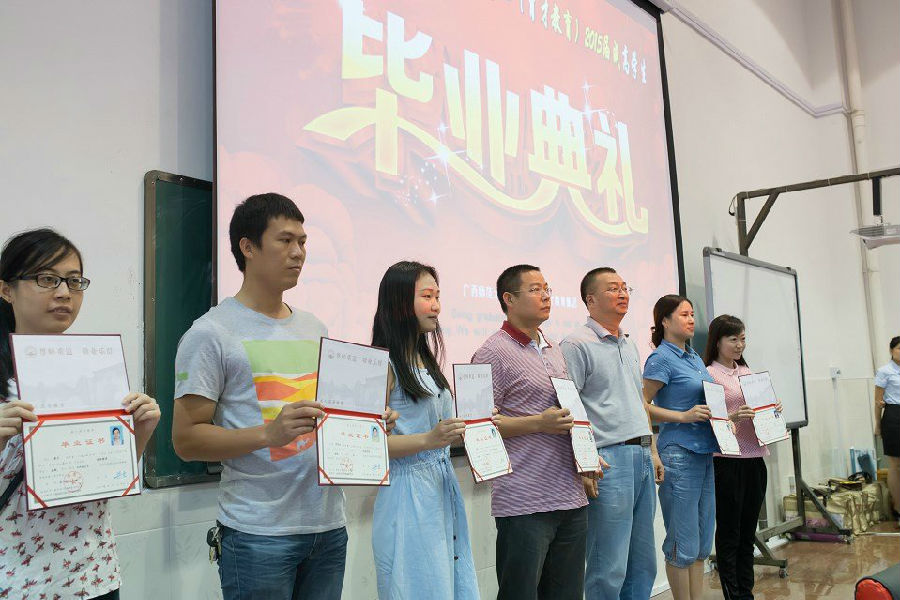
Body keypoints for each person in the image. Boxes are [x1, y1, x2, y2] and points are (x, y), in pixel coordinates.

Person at [171, 193, 398, 600]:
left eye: (303, 242)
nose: (299, 253)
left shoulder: (315, 327)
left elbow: (325, 416)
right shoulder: (211, 333)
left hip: (327, 526)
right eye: (285, 240)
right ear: (248, 247)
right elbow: (186, 440)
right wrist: (268, 434)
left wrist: (365, 423)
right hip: (258, 533)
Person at [0, 228, 161, 600]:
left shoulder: (96, 373)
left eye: (74, 281)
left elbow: (105, 479)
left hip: (94, 574)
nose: (63, 293)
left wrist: (141, 430)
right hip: (18, 583)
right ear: (6, 290)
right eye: (46, 279)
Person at [472, 264, 589, 600]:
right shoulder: (492, 352)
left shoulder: (553, 348)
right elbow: (476, 426)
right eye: (535, 289)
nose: (546, 296)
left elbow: (569, 412)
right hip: (524, 502)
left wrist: (588, 456)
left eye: (547, 288)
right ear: (509, 299)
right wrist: (538, 423)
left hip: (571, 496)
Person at [370, 261, 478, 599]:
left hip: (440, 487)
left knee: (448, 583)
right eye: (427, 296)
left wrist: (472, 425)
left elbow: (439, 429)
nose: (436, 306)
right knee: (417, 586)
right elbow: (368, 446)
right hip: (406, 493)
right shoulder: (382, 364)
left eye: (438, 296)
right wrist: (430, 440)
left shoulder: (425, 361)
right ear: (400, 302)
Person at [560, 267, 662, 600]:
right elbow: (570, 407)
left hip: (641, 455)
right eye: (612, 288)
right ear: (590, 300)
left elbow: (639, 402)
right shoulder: (575, 344)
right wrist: (584, 461)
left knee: (642, 563)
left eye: (624, 287)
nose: (622, 293)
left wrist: (652, 450)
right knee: (608, 565)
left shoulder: (629, 343)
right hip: (609, 460)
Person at [642, 295, 716, 600]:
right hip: (678, 453)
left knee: (701, 542)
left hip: (705, 452)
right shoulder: (660, 358)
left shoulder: (694, 357)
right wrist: (682, 416)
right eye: (684, 314)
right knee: (681, 541)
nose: (691, 319)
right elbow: (641, 405)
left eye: (692, 314)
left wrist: (731, 416)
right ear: (665, 320)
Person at [703, 315, 781, 600]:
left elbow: (762, 408)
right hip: (727, 460)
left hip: (755, 459)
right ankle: (733, 594)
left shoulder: (748, 372)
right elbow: (710, 420)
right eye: (733, 339)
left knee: (748, 533)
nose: (739, 345)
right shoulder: (709, 374)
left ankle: (746, 593)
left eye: (743, 339)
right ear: (718, 341)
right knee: (730, 534)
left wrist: (773, 408)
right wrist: (734, 416)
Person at [874, 335, 900, 521]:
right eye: (899, 348)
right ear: (891, 351)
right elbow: (877, 402)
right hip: (893, 416)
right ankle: (898, 508)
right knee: (895, 465)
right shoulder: (884, 371)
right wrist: (878, 425)